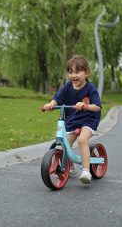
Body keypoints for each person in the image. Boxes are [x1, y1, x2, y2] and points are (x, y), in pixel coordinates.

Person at [42, 55, 102, 184]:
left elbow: (97, 107)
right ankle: (71, 168)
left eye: (77, 72)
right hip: (72, 120)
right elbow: (57, 98)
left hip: (88, 120)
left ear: (86, 73)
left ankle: (86, 171)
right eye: (70, 72)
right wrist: (51, 104)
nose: (73, 75)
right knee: (64, 146)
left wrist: (85, 106)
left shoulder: (90, 88)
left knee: (82, 140)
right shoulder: (68, 87)